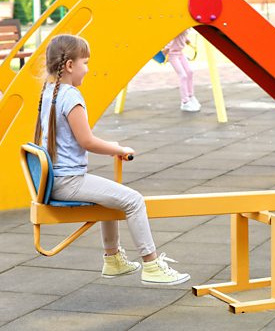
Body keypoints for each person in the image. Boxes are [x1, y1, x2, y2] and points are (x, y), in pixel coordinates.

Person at [34, 34, 190, 286]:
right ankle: (151, 265)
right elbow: (87, 141)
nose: (88, 69)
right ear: (70, 66)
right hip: (68, 181)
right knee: (134, 200)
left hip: (56, 179)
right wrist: (116, 148)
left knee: (109, 197)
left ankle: (113, 259)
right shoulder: (71, 97)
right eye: (85, 62)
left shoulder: (49, 91)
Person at [163, 29, 200, 112]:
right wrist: (167, 48)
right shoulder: (179, 27)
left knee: (190, 72)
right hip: (172, 55)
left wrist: (186, 40)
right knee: (183, 75)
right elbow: (172, 36)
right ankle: (185, 102)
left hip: (180, 53)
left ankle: (191, 96)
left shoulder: (185, 29)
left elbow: (182, 36)